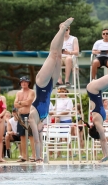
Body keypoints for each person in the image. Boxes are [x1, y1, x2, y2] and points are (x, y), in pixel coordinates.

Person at [29, 17, 74, 162]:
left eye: (41, 129)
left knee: (53, 55)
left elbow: (36, 140)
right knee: (59, 55)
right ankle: (62, 30)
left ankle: (62, 28)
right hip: (51, 85)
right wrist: (44, 158)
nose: (43, 129)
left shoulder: (32, 118)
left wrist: (37, 158)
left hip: (42, 84)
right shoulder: (43, 117)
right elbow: (41, 140)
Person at [14, 76, 36, 162]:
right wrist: (22, 103)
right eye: (22, 82)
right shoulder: (18, 93)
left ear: (28, 83)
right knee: (22, 136)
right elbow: (15, 104)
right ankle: (24, 156)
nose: (23, 83)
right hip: (21, 115)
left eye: (25, 82)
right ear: (20, 83)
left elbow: (28, 102)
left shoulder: (31, 92)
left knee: (31, 136)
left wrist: (20, 102)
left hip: (30, 115)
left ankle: (34, 156)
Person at [0, 84, 7, 162]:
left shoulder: (2, 98)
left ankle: (0, 157)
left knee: (0, 139)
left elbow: (5, 109)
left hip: (0, 120)